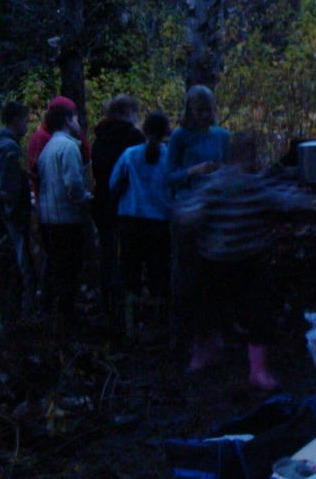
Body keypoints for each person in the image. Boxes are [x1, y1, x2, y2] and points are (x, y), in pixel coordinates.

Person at [173, 133, 315, 390]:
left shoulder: (235, 183)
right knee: (231, 309)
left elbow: (188, 212)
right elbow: (286, 200)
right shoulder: (237, 184)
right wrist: (303, 197)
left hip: (234, 260)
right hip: (229, 260)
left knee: (237, 310)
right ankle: (225, 359)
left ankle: (249, 367)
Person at [166, 85, 231, 350]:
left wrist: (221, 173)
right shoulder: (180, 137)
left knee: (215, 272)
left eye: (209, 109)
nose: (205, 115)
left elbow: (231, 170)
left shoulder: (222, 136)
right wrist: (194, 171)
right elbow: (169, 177)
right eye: (200, 110)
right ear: (190, 111)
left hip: (215, 210)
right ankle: (182, 332)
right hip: (187, 211)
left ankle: (215, 330)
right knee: (185, 273)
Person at [109, 111, 171, 338]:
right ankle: (159, 324)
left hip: (130, 221)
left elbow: (114, 184)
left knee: (130, 273)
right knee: (158, 274)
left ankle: (130, 325)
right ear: (166, 132)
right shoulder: (170, 157)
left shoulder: (129, 154)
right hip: (159, 223)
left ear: (144, 130)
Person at [37, 103, 93, 331]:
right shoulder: (68, 147)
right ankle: (68, 319)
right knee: (69, 269)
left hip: (48, 216)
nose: (78, 123)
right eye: (75, 118)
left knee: (57, 268)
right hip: (66, 218)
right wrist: (86, 200)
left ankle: (56, 317)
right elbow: (73, 185)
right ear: (68, 120)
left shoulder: (48, 148)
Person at [90, 94, 144, 324]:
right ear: (126, 112)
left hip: (102, 202)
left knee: (108, 254)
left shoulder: (99, 138)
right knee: (129, 257)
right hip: (128, 205)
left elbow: (97, 171)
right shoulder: (133, 138)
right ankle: (128, 308)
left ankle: (108, 304)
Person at [0, 100, 35, 323]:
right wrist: (16, 213)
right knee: (19, 265)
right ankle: (19, 316)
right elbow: (10, 188)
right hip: (10, 218)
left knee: (8, 265)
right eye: (25, 120)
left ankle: (11, 314)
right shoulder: (9, 148)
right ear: (16, 120)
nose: (27, 125)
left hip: (1, 215)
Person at [27, 95, 91, 200]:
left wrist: (79, 134)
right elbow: (36, 172)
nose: (77, 119)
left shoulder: (63, 137)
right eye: (74, 115)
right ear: (67, 118)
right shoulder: (42, 138)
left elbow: (86, 160)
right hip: (53, 199)